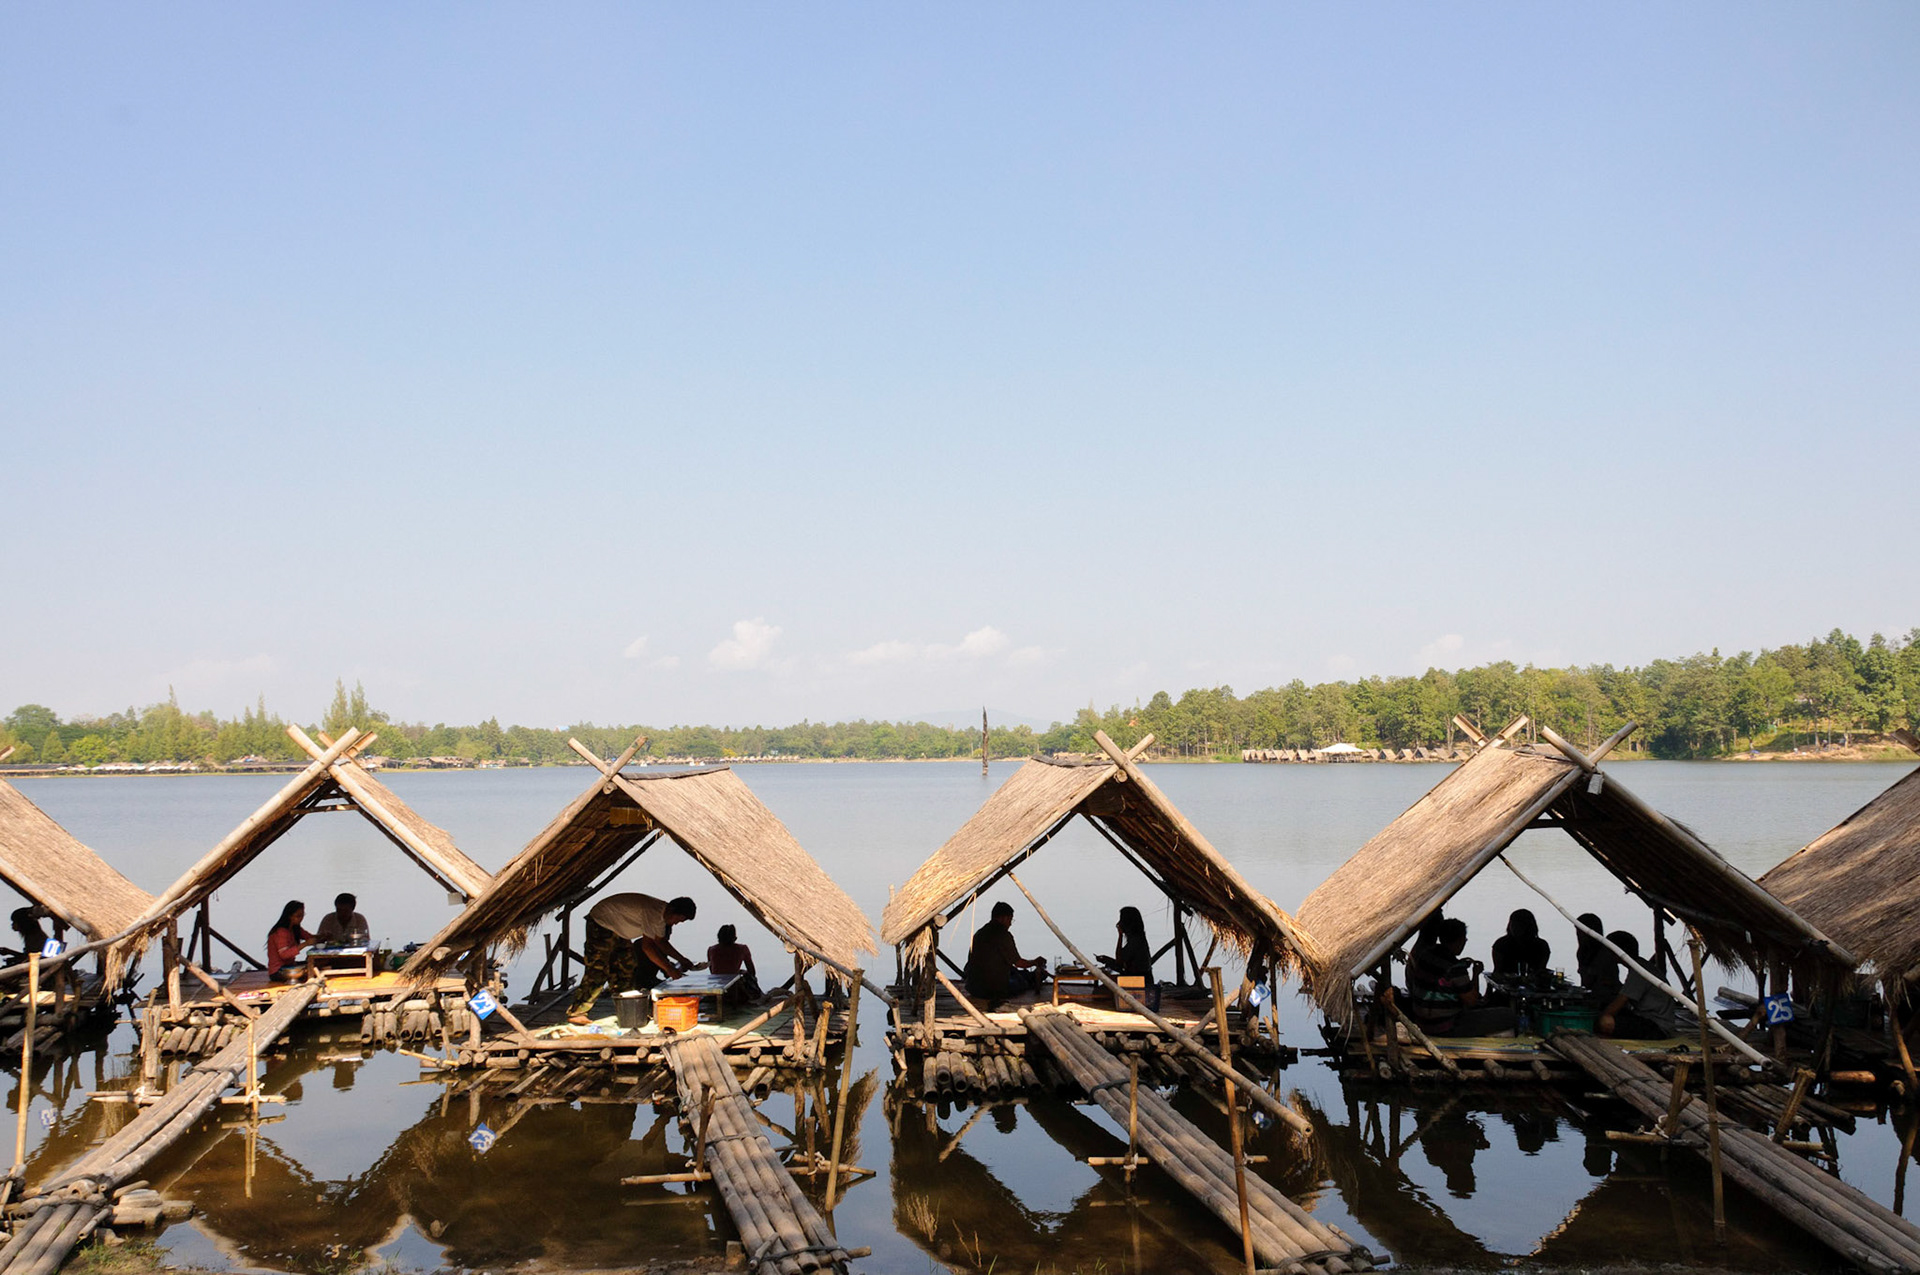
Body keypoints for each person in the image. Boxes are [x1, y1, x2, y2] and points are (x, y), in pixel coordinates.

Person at [569, 893, 701, 1023]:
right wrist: (669, 969)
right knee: (598, 969)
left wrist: (682, 960)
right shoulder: (653, 912)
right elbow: (647, 947)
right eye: (677, 920)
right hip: (602, 923)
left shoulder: (662, 915)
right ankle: (577, 1012)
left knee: (627, 967)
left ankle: (627, 1009)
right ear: (672, 910)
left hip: (620, 931)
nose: (676, 923)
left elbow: (661, 943)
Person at [1597, 932, 1679, 1038]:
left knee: (1606, 1022)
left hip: (1657, 1027)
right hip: (1645, 1018)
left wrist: (1597, 1018)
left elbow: (1620, 1002)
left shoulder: (1639, 971)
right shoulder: (1640, 966)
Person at [963, 901, 1047, 1004]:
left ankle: (1030, 976)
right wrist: (1035, 962)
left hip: (972, 987)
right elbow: (1019, 963)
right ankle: (1033, 977)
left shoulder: (980, 933)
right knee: (1021, 982)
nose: (1010, 923)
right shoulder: (1003, 935)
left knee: (1015, 972)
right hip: (990, 991)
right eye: (1010, 920)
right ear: (1003, 918)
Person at [1489, 909, 1552, 997]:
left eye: (1520, 925)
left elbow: (1541, 970)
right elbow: (1496, 972)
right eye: (1513, 924)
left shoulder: (1541, 946)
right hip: (1505, 990)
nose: (1515, 928)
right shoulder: (1501, 944)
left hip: (1535, 990)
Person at [707, 924, 762, 1000]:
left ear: (718, 938)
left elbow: (713, 972)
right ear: (735, 938)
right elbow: (752, 972)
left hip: (716, 987)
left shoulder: (711, 950)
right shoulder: (742, 949)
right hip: (734, 989)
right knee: (747, 977)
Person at [1097, 907, 1154, 979]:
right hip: (1139, 978)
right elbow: (1123, 963)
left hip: (1140, 981)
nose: (1118, 923)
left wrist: (1120, 936)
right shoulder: (1138, 939)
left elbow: (1119, 961)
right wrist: (1107, 960)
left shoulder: (1135, 941)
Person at [1575, 913, 1620, 1003]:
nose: (1578, 934)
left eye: (1580, 930)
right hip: (1589, 997)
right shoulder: (1582, 952)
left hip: (1606, 998)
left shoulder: (1605, 954)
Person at [266, 900, 315, 983]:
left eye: (302, 915)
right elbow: (284, 955)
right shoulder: (281, 932)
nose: (301, 918)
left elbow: (310, 937)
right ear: (289, 916)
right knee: (310, 970)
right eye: (298, 916)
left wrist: (323, 936)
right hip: (278, 971)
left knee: (315, 964)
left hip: (290, 966)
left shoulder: (295, 928)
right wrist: (305, 944)